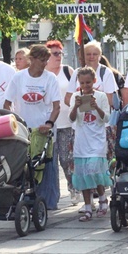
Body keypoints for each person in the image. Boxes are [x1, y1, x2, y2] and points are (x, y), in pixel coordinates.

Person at [4, 44, 60, 209]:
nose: (44, 64)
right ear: (32, 59)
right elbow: (7, 103)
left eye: (46, 60)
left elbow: (56, 106)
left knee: (46, 166)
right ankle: (22, 198)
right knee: (22, 167)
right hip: (24, 130)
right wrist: (13, 122)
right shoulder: (19, 77)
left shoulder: (50, 78)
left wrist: (49, 123)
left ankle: (48, 202)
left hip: (43, 130)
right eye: (42, 60)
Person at [69, 67, 112, 222]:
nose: (85, 86)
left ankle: (102, 197)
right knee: (83, 175)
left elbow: (106, 118)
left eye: (88, 82)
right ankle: (88, 206)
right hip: (82, 141)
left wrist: (96, 107)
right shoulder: (75, 96)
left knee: (94, 170)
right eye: (82, 83)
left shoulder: (101, 96)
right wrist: (75, 105)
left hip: (97, 140)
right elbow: (72, 119)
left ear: (94, 81)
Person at [45, 40, 76, 206]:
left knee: (65, 159)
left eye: (60, 53)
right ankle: (53, 195)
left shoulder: (67, 71)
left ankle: (73, 187)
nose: (58, 57)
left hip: (66, 123)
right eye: (54, 54)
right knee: (50, 161)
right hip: (48, 123)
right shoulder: (43, 74)